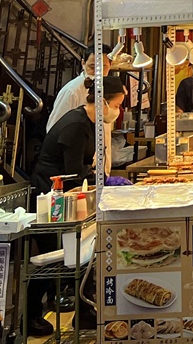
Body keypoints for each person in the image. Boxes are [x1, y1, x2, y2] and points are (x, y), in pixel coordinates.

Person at [28, 74, 126, 335]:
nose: (118, 111)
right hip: (51, 196)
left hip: (68, 197)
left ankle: (80, 312)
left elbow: (86, 166)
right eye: (116, 105)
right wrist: (102, 180)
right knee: (50, 258)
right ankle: (30, 316)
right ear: (103, 102)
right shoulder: (75, 125)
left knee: (76, 255)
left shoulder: (90, 122)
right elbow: (74, 172)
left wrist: (100, 178)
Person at [47, 51, 109, 131]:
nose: (97, 72)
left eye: (103, 67)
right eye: (92, 67)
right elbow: (54, 127)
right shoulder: (71, 91)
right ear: (83, 63)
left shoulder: (105, 87)